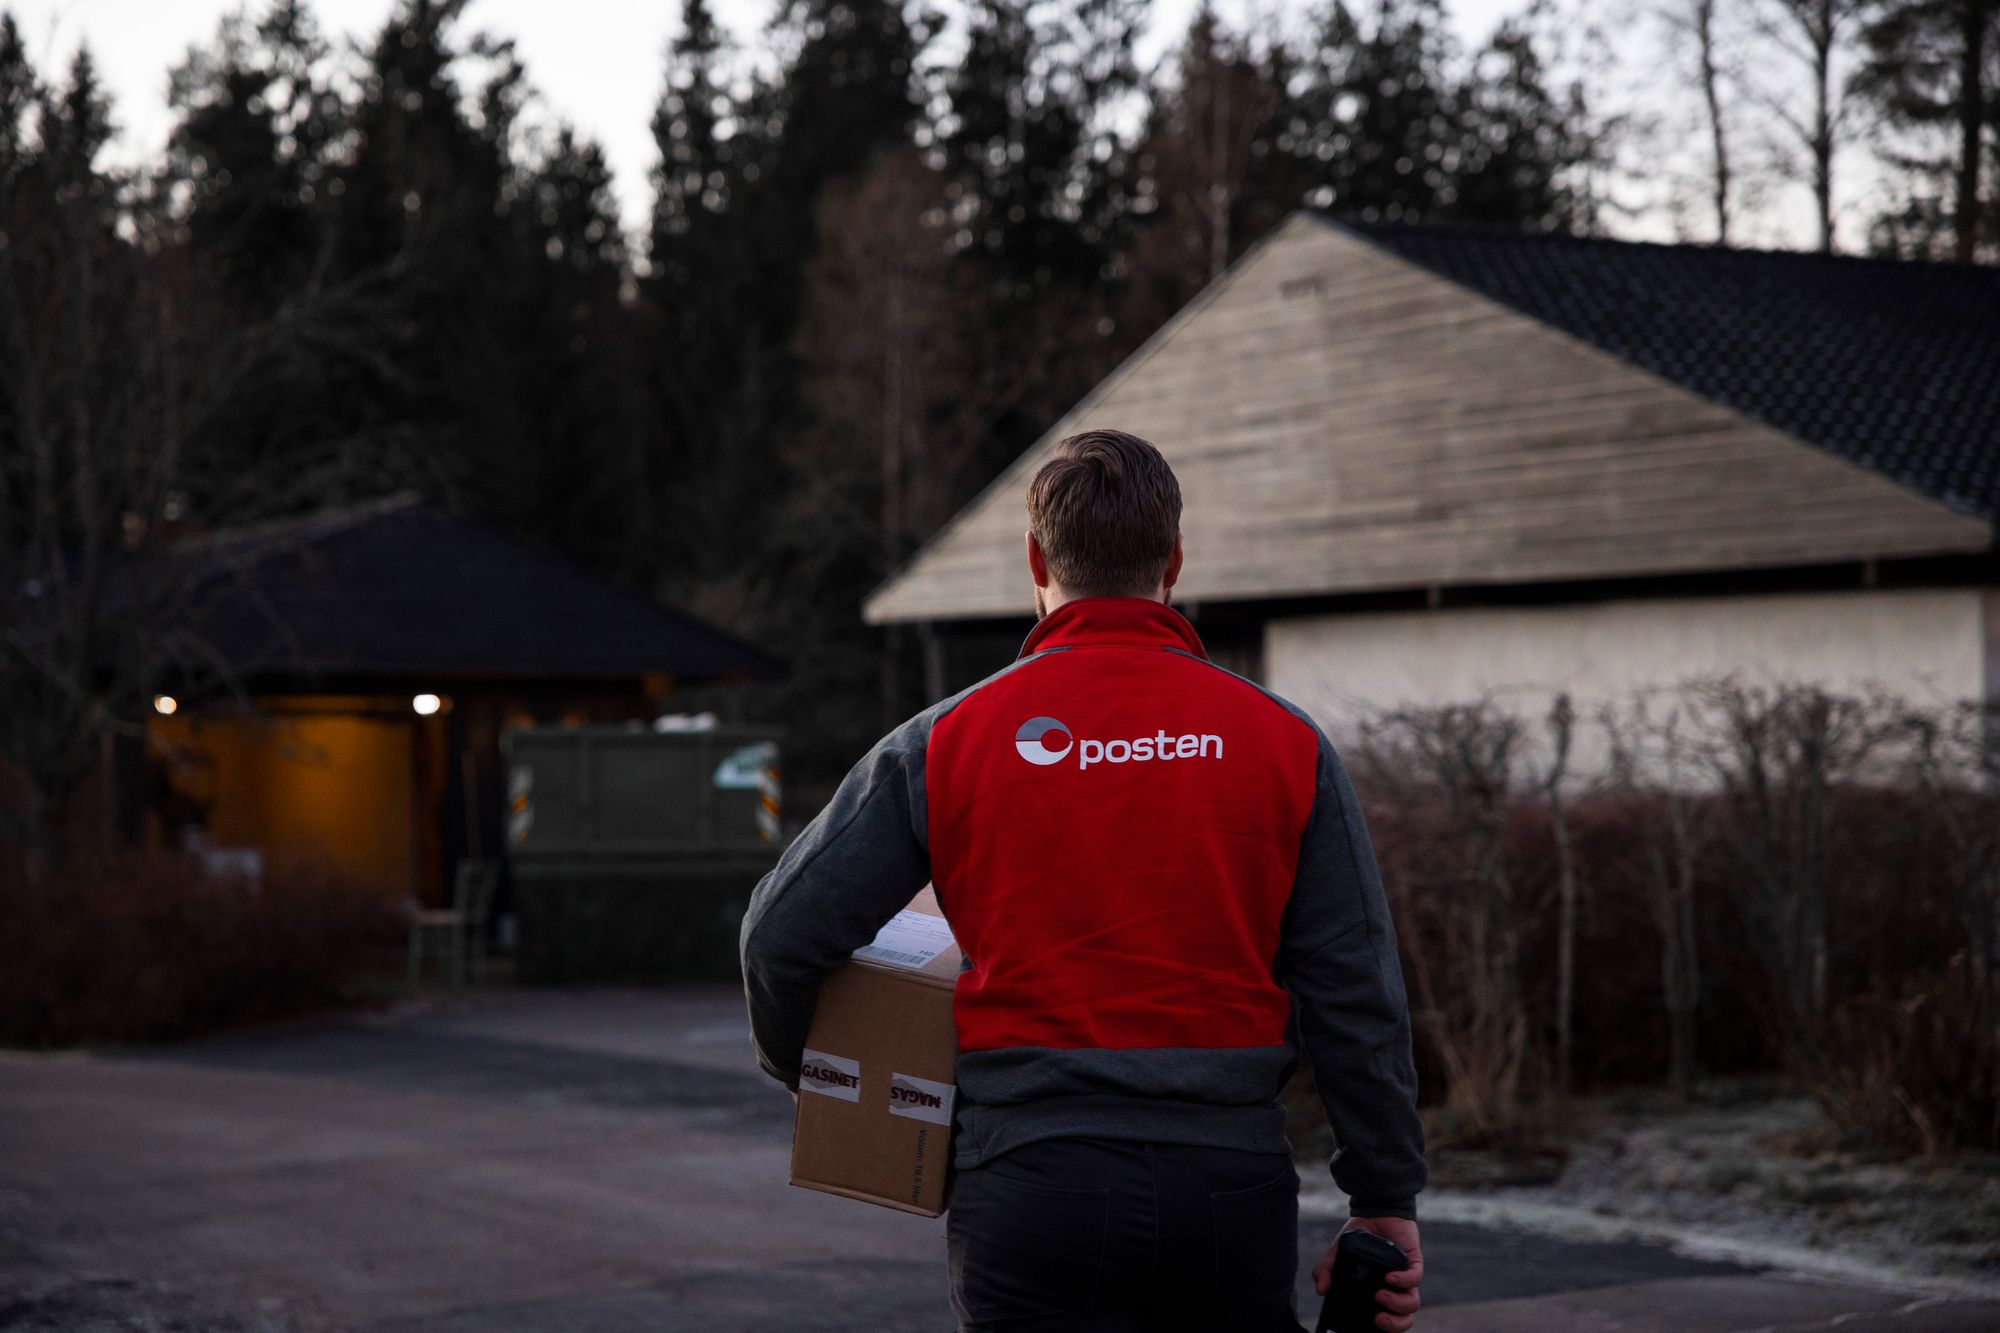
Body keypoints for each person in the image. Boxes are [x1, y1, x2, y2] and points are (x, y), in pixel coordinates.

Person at [741, 429, 1427, 1332]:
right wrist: (1383, 1195)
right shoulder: (1286, 743)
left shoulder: (944, 741)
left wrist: (811, 1068)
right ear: (1174, 559)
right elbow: (1356, 990)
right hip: (1226, 1194)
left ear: (1035, 558)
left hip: (1029, 1190)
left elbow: (780, 935)